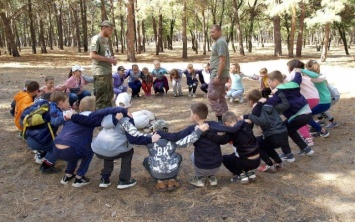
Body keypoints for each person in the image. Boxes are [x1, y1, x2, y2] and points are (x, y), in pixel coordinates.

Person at [157, 102, 239, 188]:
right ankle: (212, 178)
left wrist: (159, 133)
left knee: (193, 155)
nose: (190, 115)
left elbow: (175, 137)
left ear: (195, 116)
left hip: (201, 166)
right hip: (216, 164)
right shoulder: (213, 124)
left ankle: (199, 178)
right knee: (210, 154)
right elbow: (230, 129)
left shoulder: (192, 129)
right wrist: (241, 123)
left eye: (191, 113)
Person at [54, 96, 128, 187]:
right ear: (95, 109)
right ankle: (79, 177)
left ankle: (68, 175)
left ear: (80, 107)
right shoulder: (91, 119)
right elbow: (106, 119)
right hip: (70, 150)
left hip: (56, 148)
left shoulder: (71, 116)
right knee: (89, 150)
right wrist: (117, 117)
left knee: (74, 146)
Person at [91, 93, 159, 189]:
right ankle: (124, 180)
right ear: (130, 103)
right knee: (128, 152)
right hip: (110, 150)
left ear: (116, 102)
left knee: (110, 149)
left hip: (98, 148)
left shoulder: (108, 114)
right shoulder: (127, 119)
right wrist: (150, 138)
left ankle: (104, 178)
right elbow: (134, 138)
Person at [266, 70, 314, 159]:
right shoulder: (293, 84)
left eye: (269, 81)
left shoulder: (279, 92)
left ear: (275, 81)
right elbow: (297, 79)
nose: (268, 84)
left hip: (298, 115)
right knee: (290, 130)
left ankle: (287, 154)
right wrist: (298, 72)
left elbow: (272, 102)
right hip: (308, 113)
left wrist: (263, 103)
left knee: (282, 130)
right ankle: (306, 149)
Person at [203, 111, 260, 183]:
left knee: (225, 159)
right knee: (238, 154)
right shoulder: (246, 125)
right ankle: (250, 173)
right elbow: (250, 123)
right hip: (257, 160)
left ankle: (241, 174)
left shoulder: (232, 132)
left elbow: (220, 140)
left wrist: (206, 133)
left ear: (226, 123)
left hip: (246, 162)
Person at [243, 89, 290, 172]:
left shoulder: (258, 110)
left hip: (274, 136)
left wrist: (249, 117)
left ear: (251, 101)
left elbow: (263, 121)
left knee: (255, 143)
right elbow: (285, 105)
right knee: (262, 141)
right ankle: (279, 162)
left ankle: (269, 164)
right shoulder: (270, 106)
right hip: (284, 134)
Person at [285, 59, 319, 147]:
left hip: (308, 98)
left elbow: (286, 83)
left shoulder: (293, 73)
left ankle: (307, 138)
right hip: (315, 97)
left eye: (288, 67)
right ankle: (308, 134)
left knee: (298, 117)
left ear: (292, 66)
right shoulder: (304, 73)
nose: (287, 69)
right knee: (303, 117)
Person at [90, 20, 117, 110]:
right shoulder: (96, 39)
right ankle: (100, 118)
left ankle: (108, 116)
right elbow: (92, 55)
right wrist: (108, 59)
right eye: (110, 29)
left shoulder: (107, 40)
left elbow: (106, 54)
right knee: (101, 97)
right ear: (104, 28)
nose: (111, 31)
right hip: (100, 72)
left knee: (109, 95)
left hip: (107, 70)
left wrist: (112, 59)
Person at [302, 60, 331, 137]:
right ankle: (315, 128)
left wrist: (300, 69)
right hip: (324, 101)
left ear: (308, 68)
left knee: (305, 116)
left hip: (323, 102)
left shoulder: (317, 77)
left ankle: (322, 130)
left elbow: (314, 76)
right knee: (308, 115)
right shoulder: (318, 76)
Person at [208, 25, 230, 123]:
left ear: (219, 31)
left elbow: (222, 60)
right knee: (221, 97)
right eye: (210, 32)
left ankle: (221, 118)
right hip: (220, 73)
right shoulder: (219, 42)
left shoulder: (220, 42)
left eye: (213, 32)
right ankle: (227, 118)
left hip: (218, 75)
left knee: (211, 97)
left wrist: (217, 76)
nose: (211, 34)